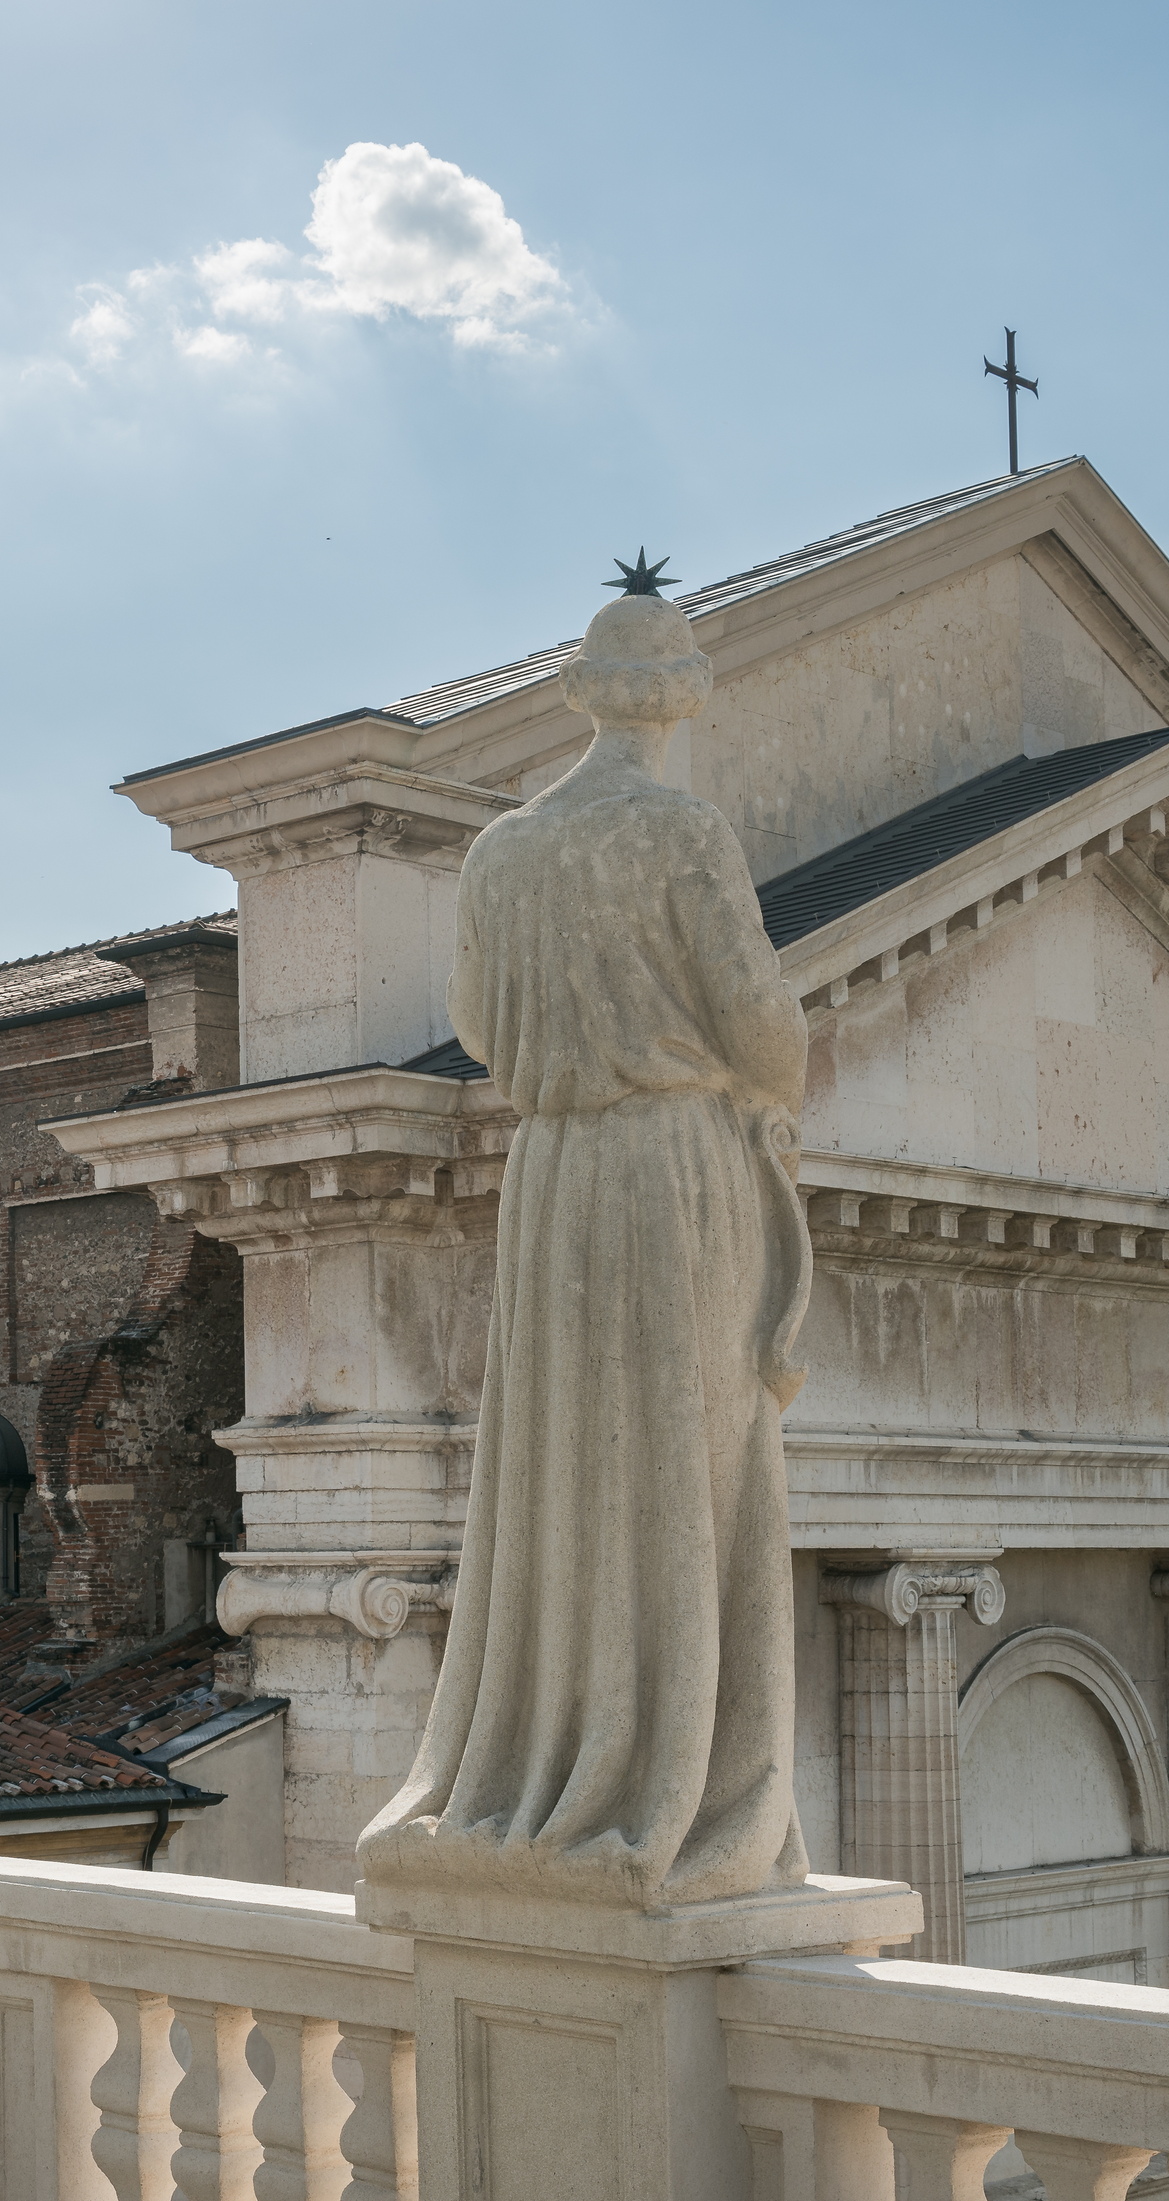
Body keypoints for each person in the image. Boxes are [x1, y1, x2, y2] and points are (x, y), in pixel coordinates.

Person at [359, 573, 813, 1910]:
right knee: (686, 1455)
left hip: (554, 1174)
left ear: (582, 691)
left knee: (564, 1464)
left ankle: (549, 1761)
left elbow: (486, 1028)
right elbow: (765, 1030)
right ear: (682, 693)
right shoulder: (680, 831)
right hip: (672, 1168)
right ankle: (664, 1779)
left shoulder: (506, 850)